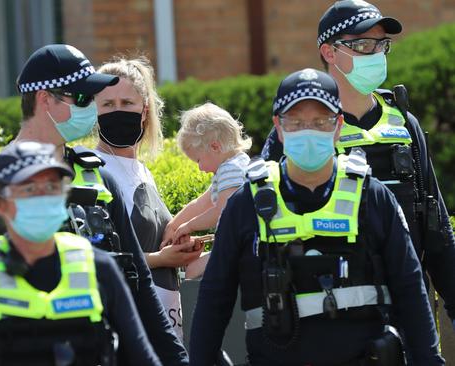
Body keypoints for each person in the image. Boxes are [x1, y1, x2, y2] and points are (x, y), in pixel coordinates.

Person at [0, 44, 188, 365]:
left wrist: (175, 359)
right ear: (45, 99)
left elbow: (139, 284)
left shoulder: (98, 181)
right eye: (84, 99)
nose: (92, 110)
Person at [190, 68, 444, 365]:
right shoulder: (247, 204)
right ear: (279, 128)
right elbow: (213, 300)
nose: (308, 131)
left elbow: (410, 291)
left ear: (338, 126)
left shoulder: (372, 198)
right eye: (296, 122)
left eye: (320, 122)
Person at [261, 0, 455, 330]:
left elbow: (436, 232)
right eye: (363, 45)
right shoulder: (298, 132)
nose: (375, 54)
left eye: (382, 45)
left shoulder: (404, 124)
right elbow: (263, 222)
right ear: (329, 52)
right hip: (329, 317)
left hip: (406, 312)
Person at [0, 141, 161, 365]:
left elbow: (142, 357)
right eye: (29, 189)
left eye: (51, 187)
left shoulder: (98, 268)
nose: (42, 198)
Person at [93, 56, 202, 340]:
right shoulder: (93, 170)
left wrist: (179, 248)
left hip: (166, 322)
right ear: (94, 111)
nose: (117, 111)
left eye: (126, 104)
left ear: (144, 110)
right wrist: (161, 258)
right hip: (130, 323)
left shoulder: (143, 171)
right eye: (107, 104)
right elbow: (99, 258)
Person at [161, 102, 252, 257]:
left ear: (215, 147)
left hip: (244, 248)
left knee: (193, 270)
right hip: (241, 243)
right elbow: (202, 203)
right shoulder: (235, 164)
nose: (200, 168)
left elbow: (222, 212)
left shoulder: (231, 170)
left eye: (198, 160)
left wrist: (188, 227)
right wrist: (173, 225)